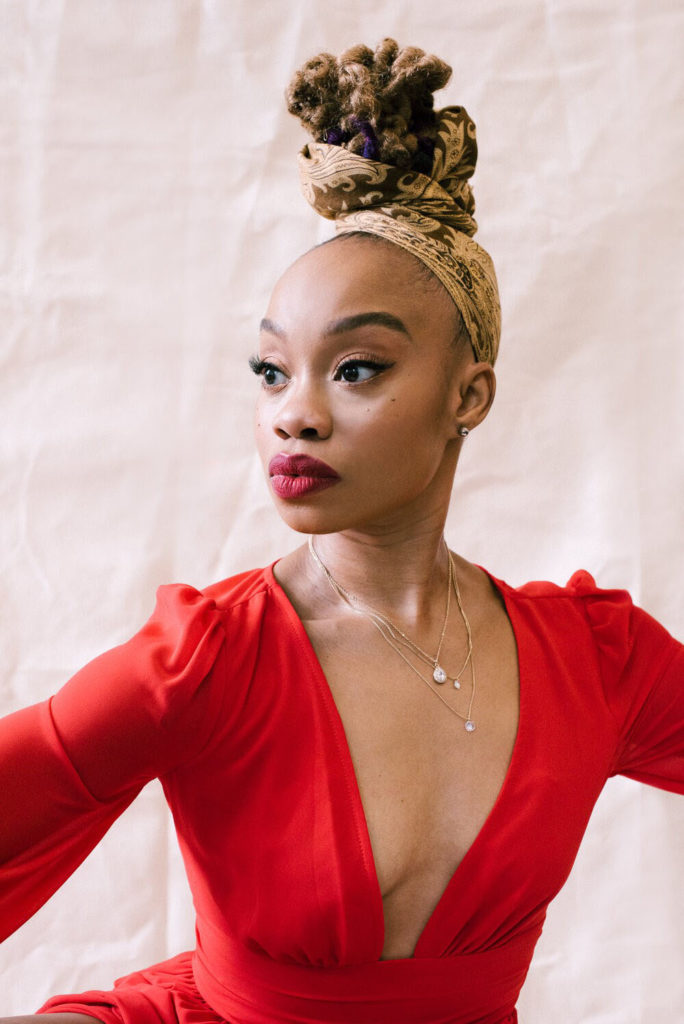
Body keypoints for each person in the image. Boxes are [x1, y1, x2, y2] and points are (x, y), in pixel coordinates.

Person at [1, 38, 682, 1024]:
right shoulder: (205, 661)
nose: (295, 414)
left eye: (356, 367)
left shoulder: (597, 661)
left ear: (468, 394)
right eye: (273, 372)